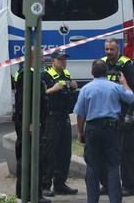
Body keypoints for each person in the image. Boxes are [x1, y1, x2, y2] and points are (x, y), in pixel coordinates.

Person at [74, 59, 134, 203]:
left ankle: (92, 200)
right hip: (111, 128)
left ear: (92, 72)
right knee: (113, 166)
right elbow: (131, 98)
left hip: (93, 129)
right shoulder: (114, 87)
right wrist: (125, 83)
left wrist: (80, 132)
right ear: (106, 72)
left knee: (93, 166)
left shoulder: (86, 89)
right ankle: (115, 200)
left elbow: (80, 115)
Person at [100, 39, 134, 197]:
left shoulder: (126, 64)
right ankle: (108, 185)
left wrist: (129, 114)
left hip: (123, 115)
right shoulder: (101, 64)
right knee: (106, 152)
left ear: (118, 50)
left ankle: (129, 186)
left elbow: (133, 91)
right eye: (107, 49)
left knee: (126, 153)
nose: (109, 52)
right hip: (108, 116)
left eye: (112, 50)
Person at [13, 48, 51, 203]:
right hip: (28, 123)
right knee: (28, 157)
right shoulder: (25, 75)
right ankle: (27, 193)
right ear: (32, 58)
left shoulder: (33, 73)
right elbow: (24, 102)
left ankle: (33, 193)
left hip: (35, 122)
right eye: (40, 57)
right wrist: (30, 123)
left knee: (34, 156)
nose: (43, 60)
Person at [41, 48, 79, 196]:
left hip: (64, 117)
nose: (63, 61)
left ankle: (60, 184)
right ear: (53, 60)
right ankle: (45, 185)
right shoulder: (45, 75)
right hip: (51, 118)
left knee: (64, 153)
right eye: (60, 59)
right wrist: (53, 88)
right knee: (49, 153)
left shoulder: (66, 74)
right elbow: (39, 95)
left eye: (65, 59)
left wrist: (73, 86)